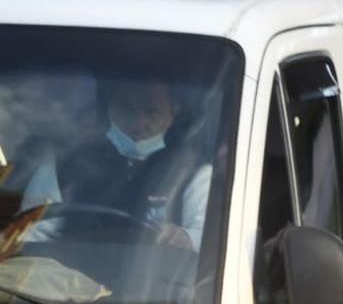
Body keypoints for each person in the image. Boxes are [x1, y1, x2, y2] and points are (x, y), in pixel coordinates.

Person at [20, 78, 210, 249]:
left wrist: (184, 238)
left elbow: (208, 240)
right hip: (65, 279)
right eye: (127, 109)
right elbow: (28, 231)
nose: (138, 124)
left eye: (152, 113)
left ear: (172, 114)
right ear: (109, 106)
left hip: (150, 283)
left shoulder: (193, 174)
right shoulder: (66, 164)